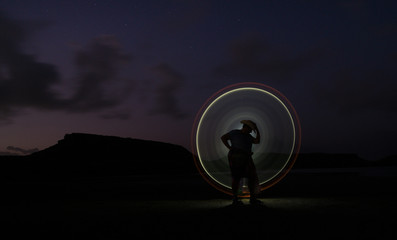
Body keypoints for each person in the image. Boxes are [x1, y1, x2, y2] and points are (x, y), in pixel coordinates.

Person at [221, 120, 263, 205]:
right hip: (236, 158)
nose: (251, 131)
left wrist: (257, 129)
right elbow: (223, 138)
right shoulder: (234, 133)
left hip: (246, 158)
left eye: (252, 130)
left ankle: (252, 198)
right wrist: (230, 148)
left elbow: (257, 141)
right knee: (236, 178)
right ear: (244, 127)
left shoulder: (249, 136)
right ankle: (235, 199)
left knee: (251, 177)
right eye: (250, 129)